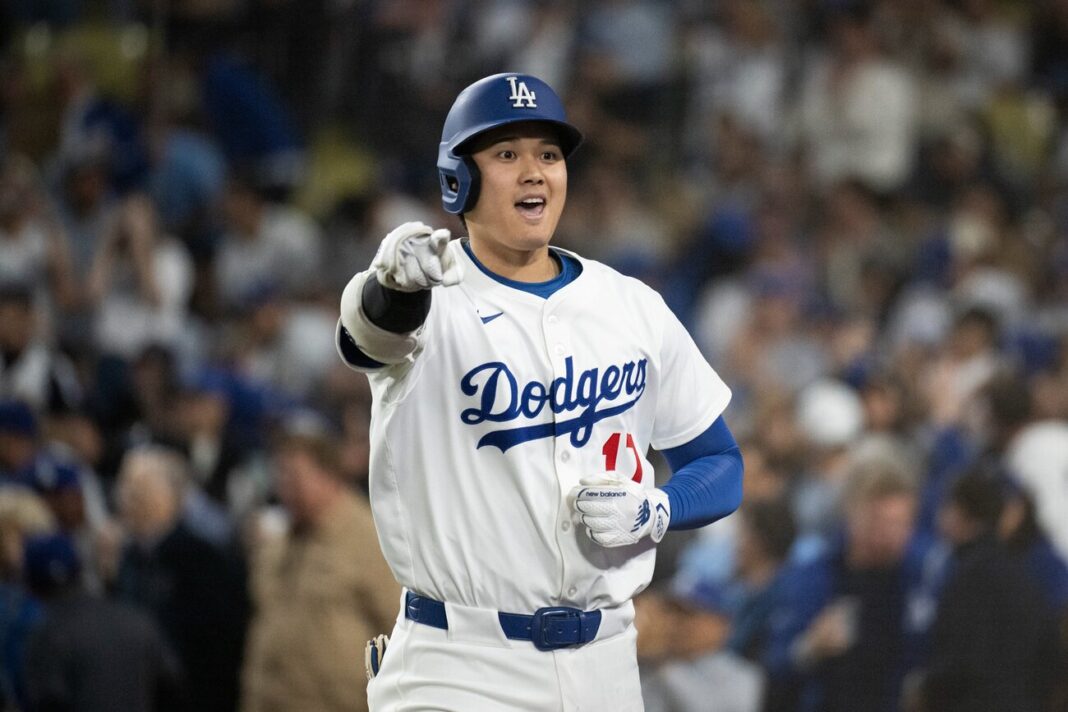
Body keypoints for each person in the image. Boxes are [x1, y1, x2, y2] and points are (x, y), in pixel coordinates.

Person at [336, 73, 744, 710]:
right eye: (507, 154)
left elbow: (721, 463)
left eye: (548, 155)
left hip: (606, 661)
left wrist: (659, 508)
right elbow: (371, 335)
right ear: (458, 180)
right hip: (458, 665)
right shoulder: (427, 296)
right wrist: (392, 287)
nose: (534, 172)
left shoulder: (632, 305)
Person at [241, 428, 400, 712]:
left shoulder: (369, 539)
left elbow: (397, 627)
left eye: (295, 476)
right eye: (280, 475)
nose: (284, 487)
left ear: (329, 475)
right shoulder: (279, 543)